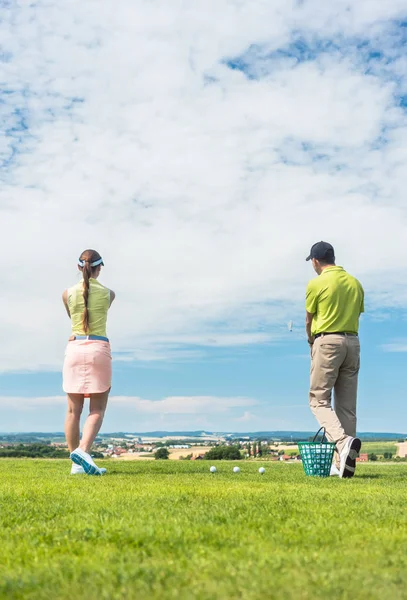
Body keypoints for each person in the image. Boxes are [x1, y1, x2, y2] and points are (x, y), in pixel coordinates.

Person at [305, 241, 364, 478]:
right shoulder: (355, 283)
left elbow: (309, 319)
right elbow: (357, 312)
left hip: (327, 342)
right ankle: (343, 465)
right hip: (353, 343)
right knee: (346, 406)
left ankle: (342, 442)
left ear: (316, 261)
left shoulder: (316, 283)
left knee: (318, 400)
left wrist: (311, 341)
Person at [62, 249, 115, 475]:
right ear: (99, 268)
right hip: (98, 349)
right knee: (98, 409)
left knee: (74, 411)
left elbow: (75, 319)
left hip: (74, 349)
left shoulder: (66, 294)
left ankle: (76, 464)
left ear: (78, 267)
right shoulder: (109, 294)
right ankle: (83, 451)